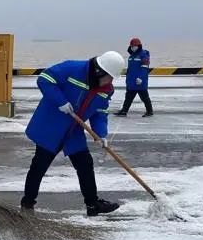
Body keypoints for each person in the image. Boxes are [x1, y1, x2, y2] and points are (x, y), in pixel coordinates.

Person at [21, 51, 125, 217]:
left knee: (85, 164)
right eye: (109, 77)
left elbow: (100, 113)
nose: (111, 81)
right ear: (99, 71)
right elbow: (44, 79)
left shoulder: (106, 89)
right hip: (52, 126)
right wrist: (60, 101)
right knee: (39, 165)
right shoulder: (72, 68)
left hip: (73, 131)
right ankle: (27, 203)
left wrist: (100, 135)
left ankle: (92, 204)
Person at [115, 37, 153, 117]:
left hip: (139, 82)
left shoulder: (144, 55)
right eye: (132, 46)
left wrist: (140, 78)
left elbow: (144, 68)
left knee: (145, 97)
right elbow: (131, 69)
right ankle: (124, 111)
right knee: (128, 98)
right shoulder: (131, 56)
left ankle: (149, 111)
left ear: (139, 46)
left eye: (134, 46)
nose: (133, 47)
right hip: (131, 82)